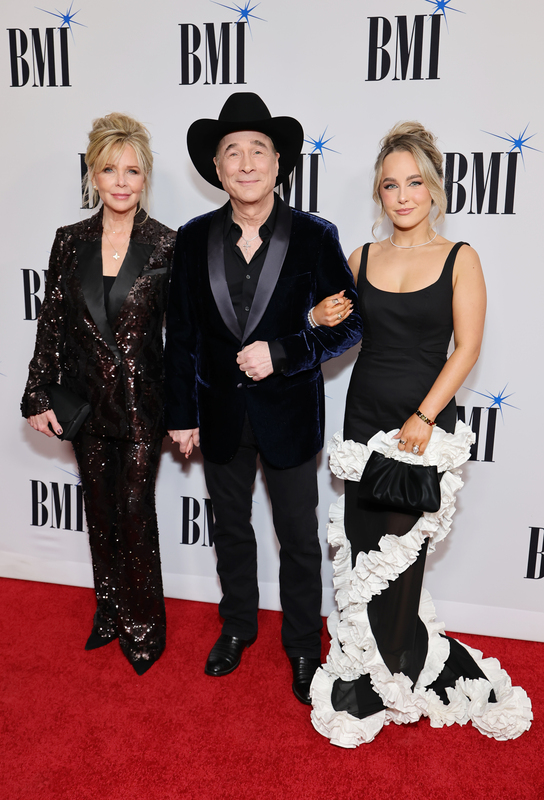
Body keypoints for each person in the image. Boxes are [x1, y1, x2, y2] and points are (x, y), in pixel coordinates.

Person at [310, 122, 532, 744]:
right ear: (379, 194)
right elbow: (331, 340)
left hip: (423, 429)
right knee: (360, 550)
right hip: (363, 422)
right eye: (389, 185)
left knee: (397, 560)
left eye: (413, 182)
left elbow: (468, 348)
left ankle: (400, 670)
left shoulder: (462, 258)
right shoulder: (361, 257)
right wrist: (316, 315)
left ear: (433, 188)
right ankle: (366, 669)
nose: (402, 196)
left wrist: (426, 415)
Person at [164, 92, 361, 704]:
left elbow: (349, 325)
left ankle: (304, 646)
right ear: (217, 169)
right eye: (232, 153)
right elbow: (182, 336)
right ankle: (238, 628)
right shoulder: (193, 239)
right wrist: (181, 415)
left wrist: (281, 352)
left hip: (291, 417)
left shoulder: (314, 236)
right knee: (231, 532)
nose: (246, 163)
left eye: (258, 151)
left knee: (299, 537)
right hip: (219, 415)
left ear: (279, 163)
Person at [21, 113, 176, 675]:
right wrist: (38, 394)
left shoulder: (165, 244)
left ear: (145, 178)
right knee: (99, 507)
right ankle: (108, 610)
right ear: (93, 173)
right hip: (85, 401)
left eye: (132, 170)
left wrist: (185, 411)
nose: (120, 181)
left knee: (134, 509)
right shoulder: (70, 242)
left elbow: (180, 339)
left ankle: (144, 625)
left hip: (140, 403)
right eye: (110, 168)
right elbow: (51, 325)